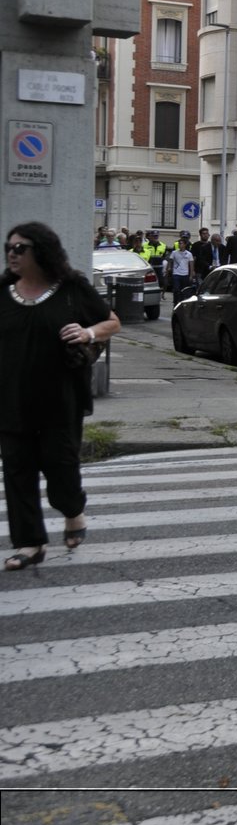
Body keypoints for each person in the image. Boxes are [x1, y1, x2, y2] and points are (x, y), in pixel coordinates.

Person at [2, 222, 121, 571]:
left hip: (59, 398)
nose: (11, 253)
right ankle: (29, 543)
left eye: (20, 248)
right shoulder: (3, 290)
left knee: (61, 467)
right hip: (11, 399)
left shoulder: (71, 288)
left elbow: (111, 322)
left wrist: (87, 331)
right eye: (9, 247)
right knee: (17, 471)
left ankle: (73, 512)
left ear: (41, 251)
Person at [166, 233, 196, 302]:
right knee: (176, 289)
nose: (180, 245)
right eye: (179, 243)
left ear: (185, 245)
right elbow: (170, 261)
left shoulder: (189, 254)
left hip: (185, 274)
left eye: (182, 243)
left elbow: (191, 265)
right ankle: (175, 302)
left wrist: (191, 275)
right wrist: (169, 268)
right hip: (176, 274)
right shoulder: (174, 253)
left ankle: (181, 302)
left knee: (184, 290)